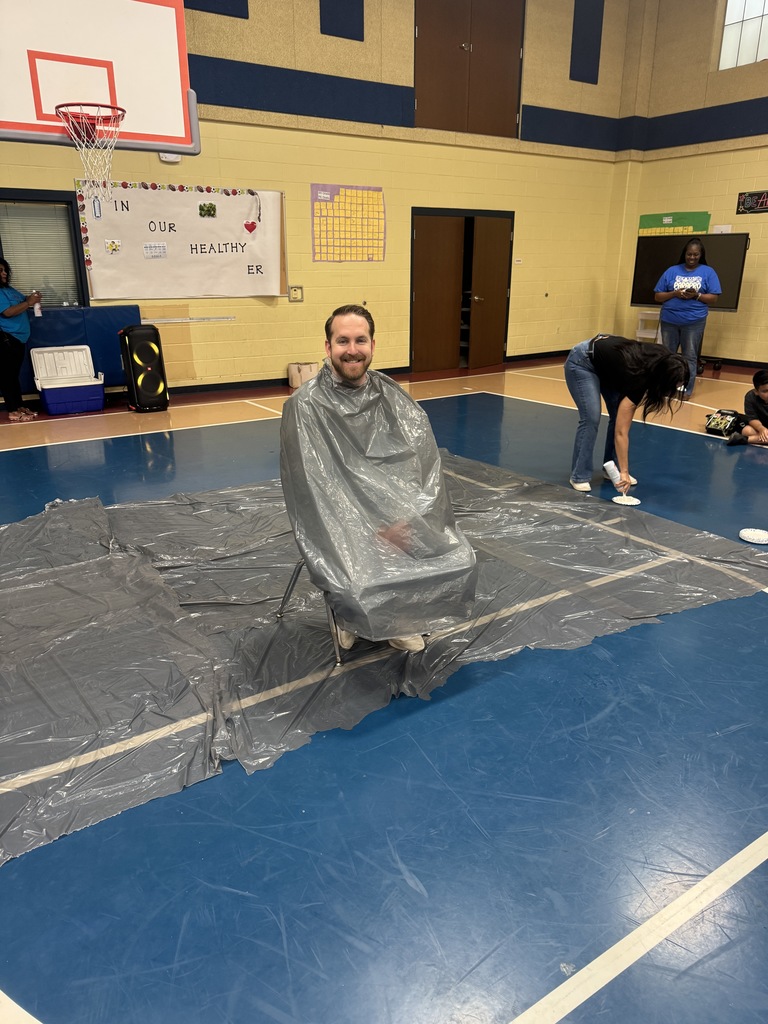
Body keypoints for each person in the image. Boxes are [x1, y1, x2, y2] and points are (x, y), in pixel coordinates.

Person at [280, 304, 477, 653]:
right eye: (342, 341)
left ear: (373, 345)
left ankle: (397, 618)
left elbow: (423, 466)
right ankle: (348, 616)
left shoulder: (390, 395)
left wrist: (408, 519)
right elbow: (313, 489)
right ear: (328, 347)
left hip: (395, 515)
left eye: (360, 340)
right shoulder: (305, 405)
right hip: (338, 524)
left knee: (461, 559)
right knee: (356, 571)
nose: (352, 350)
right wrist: (368, 531)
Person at [564, 333, 689, 492]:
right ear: (662, 379)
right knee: (591, 417)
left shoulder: (664, 361)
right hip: (583, 361)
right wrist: (625, 471)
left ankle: (612, 470)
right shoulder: (638, 377)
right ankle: (579, 475)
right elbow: (621, 432)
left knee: (618, 414)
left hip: (610, 365)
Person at [654, 237, 721, 398]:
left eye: (696, 254)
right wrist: (674, 293)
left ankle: (685, 389)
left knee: (689, 356)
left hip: (694, 321)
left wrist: (696, 295)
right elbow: (658, 296)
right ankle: (667, 387)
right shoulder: (671, 271)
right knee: (668, 356)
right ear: (684, 254)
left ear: (701, 255)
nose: (692, 257)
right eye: (689, 254)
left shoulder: (708, 272)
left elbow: (713, 298)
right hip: (669, 320)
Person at [0, 258, 41, 423]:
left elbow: (23, 301)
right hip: (6, 338)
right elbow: (7, 312)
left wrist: (31, 298)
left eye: (5, 270)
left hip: (19, 338)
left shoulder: (9, 289)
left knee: (13, 375)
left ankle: (19, 406)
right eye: (0, 271)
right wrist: (29, 302)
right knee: (7, 376)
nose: (4, 273)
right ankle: (12, 410)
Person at [726, 368, 768, 446]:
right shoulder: (750, 397)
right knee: (747, 431)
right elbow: (752, 418)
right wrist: (761, 428)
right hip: (762, 425)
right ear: (756, 392)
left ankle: (744, 439)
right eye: (765, 391)